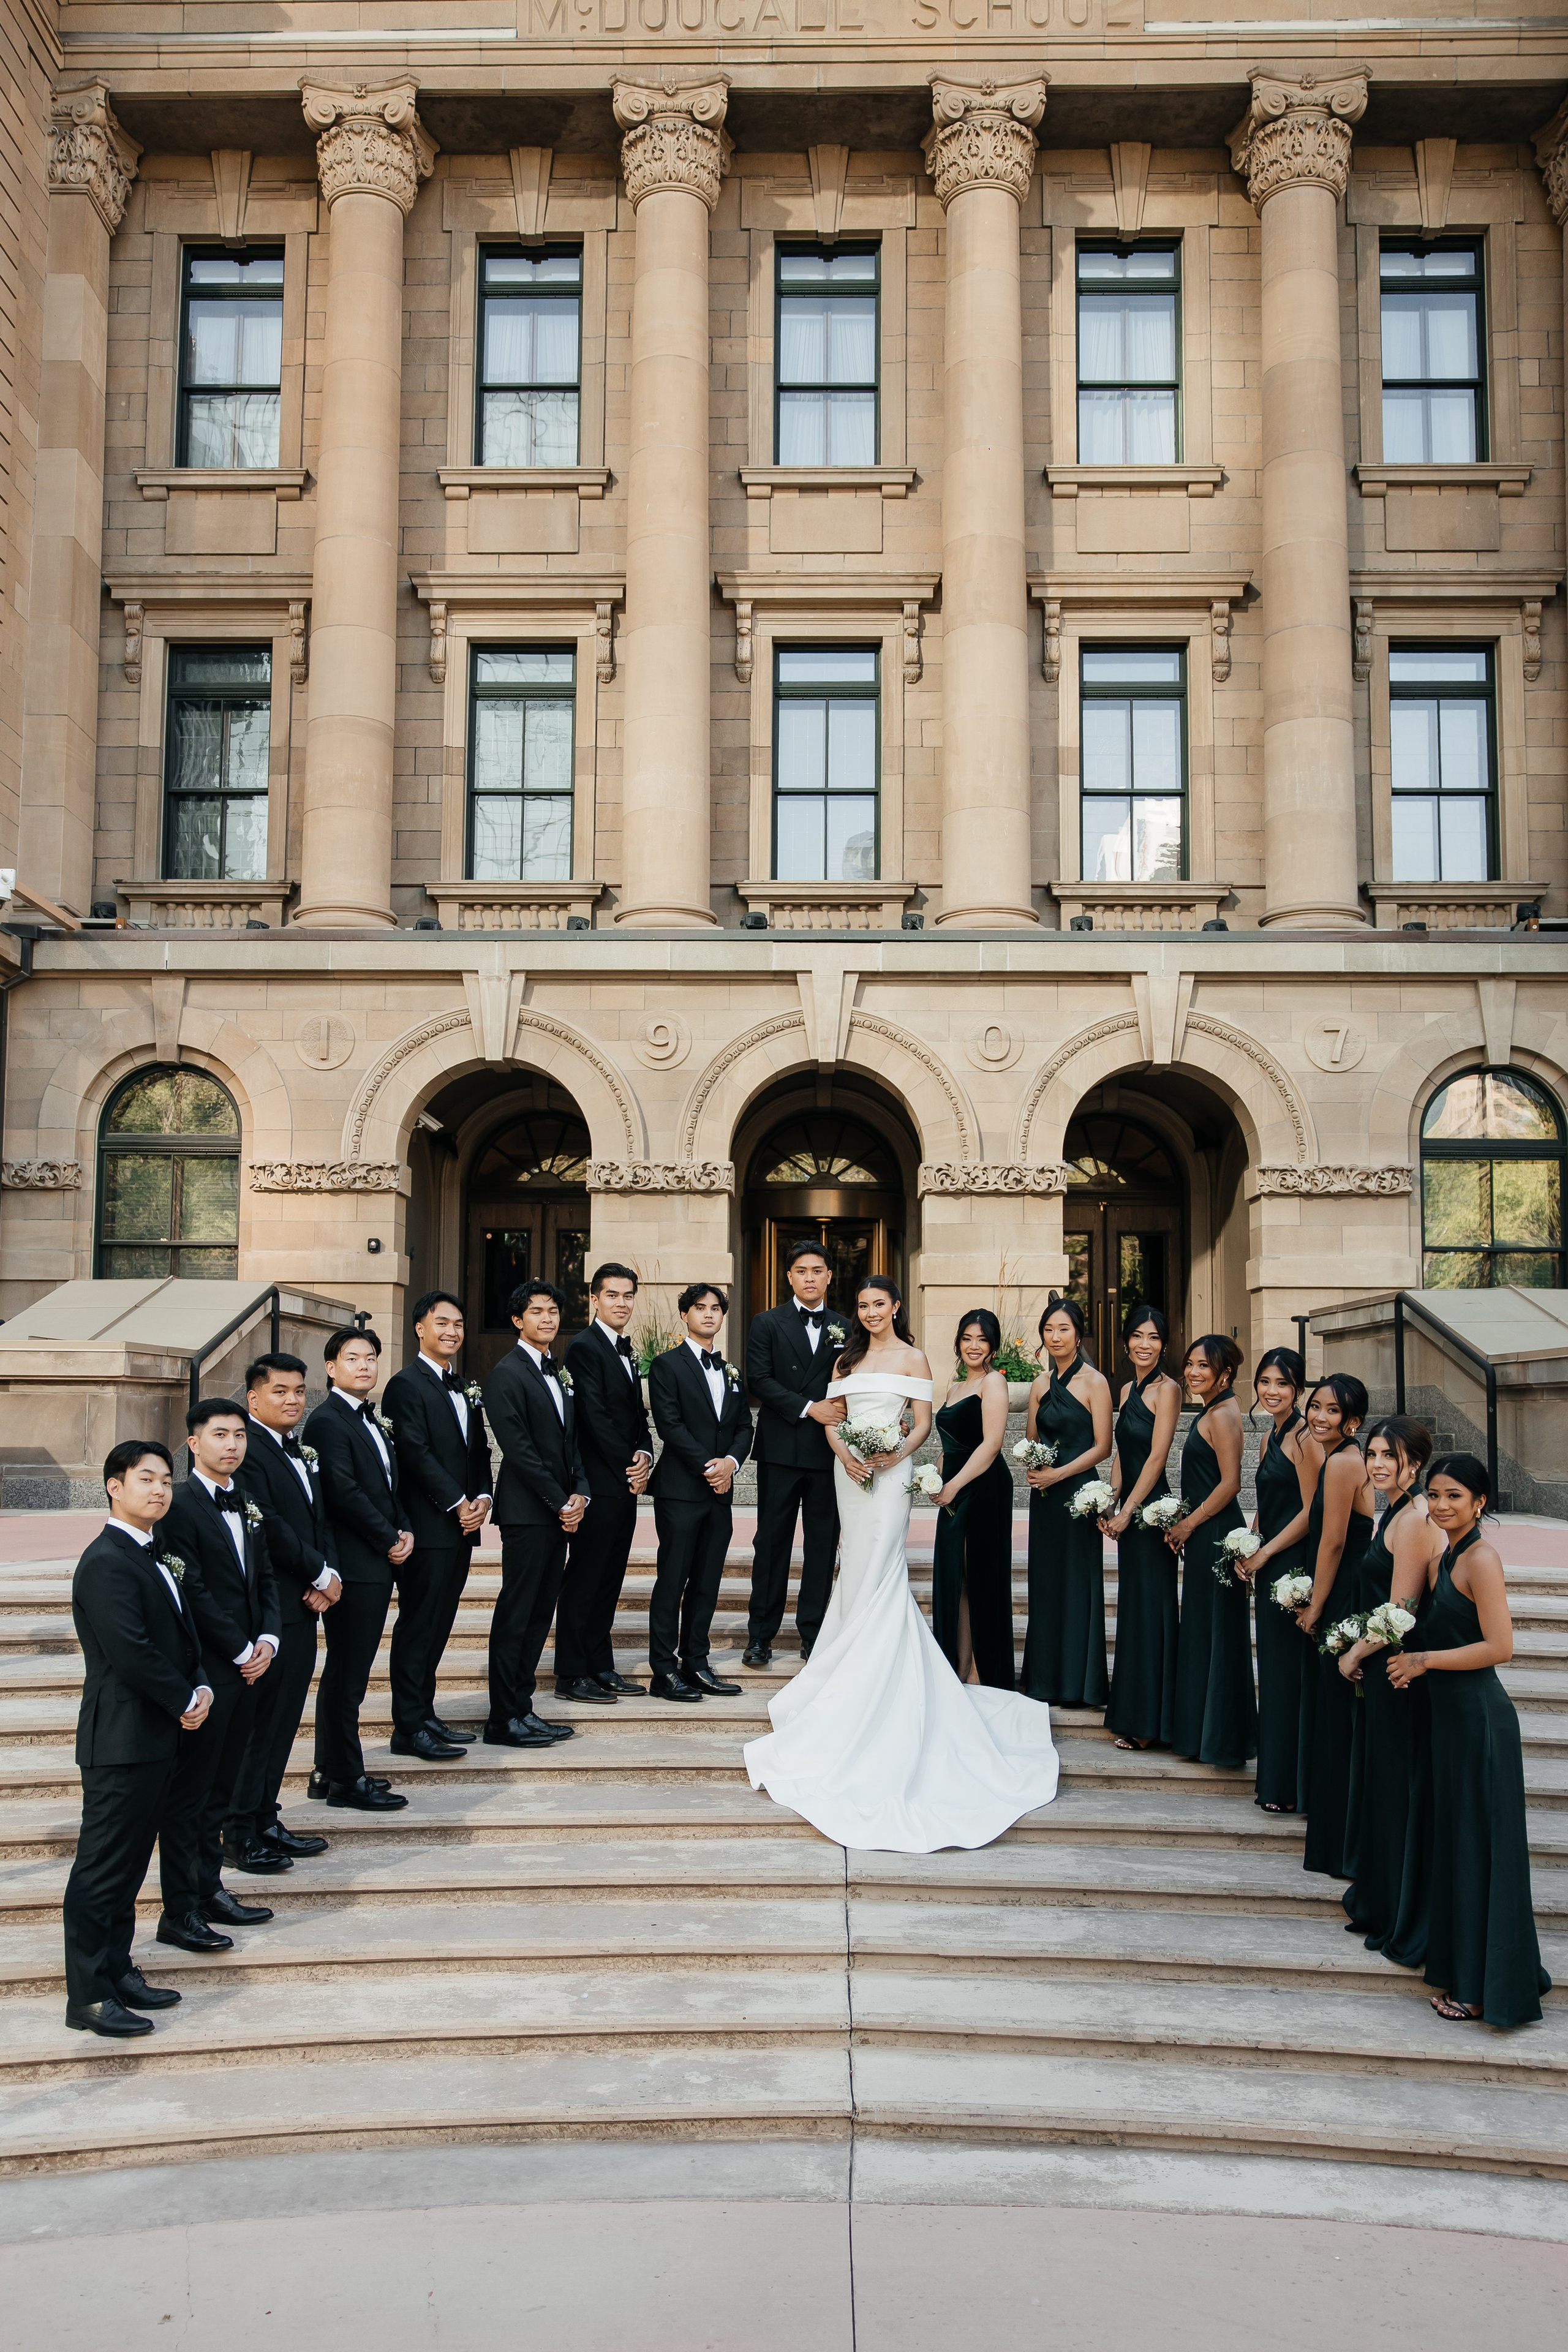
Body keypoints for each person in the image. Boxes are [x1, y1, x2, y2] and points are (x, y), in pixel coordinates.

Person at [744, 1275, 1058, 1851]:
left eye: (878, 1304)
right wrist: (847, 1454)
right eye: (861, 1306)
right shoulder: (844, 1358)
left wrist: (891, 1455)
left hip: (891, 1477)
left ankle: (877, 1674)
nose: (869, 1312)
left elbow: (923, 1423)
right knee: (854, 1563)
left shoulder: (915, 1358)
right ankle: (844, 1667)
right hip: (849, 1473)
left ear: (896, 1307)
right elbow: (833, 1418)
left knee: (883, 1561)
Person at [1387, 1455, 1551, 2027]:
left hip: (1480, 1723)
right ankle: (1484, 1972)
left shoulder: (1481, 1558)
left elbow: (1501, 1647)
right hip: (1449, 1723)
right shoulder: (1446, 1554)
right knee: (1461, 1848)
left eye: (1454, 1496)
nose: (1440, 1506)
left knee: (1481, 1851)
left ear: (1480, 1502)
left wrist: (1424, 1660)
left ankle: (1486, 1990)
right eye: (1433, 1495)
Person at [62, 1441, 205, 2037]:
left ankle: (118, 1971)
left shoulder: (152, 1552)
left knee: (126, 1868)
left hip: (153, 1738)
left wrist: (197, 1685)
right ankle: (89, 1996)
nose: (160, 1490)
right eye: (146, 1479)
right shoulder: (106, 1561)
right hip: (120, 1740)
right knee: (101, 1869)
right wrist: (184, 1699)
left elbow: (178, 1636)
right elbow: (132, 1652)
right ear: (113, 1486)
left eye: (166, 1480)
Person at [156, 1397, 282, 1951]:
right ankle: (180, 1910)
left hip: (252, 1665)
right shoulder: (178, 1506)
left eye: (239, 1435)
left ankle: (210, 1891)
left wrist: (271, 1638)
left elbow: (266, 1577)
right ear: (194, 1443)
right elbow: (194, 1590)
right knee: (192, 1795)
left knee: (223, 1789)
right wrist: (238, 1650)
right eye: (220, 1435)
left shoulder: (248, 1499)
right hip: (211, 1668)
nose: (233, 1444)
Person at [227, 1352, 337, 1869]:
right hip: (270, 1608)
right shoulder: (246, 1450)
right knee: (258, 1726)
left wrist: (328, 1575)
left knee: (283, 1720)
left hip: (305, 1603)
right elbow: (267, 1525)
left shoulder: (300, 1447)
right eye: (280, 1392)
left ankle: (265, 1818)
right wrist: (318, 1573)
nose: (293, 1400)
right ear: (254, 1398)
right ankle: (238, 1831)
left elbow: (320, 1518)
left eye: (299, 1391)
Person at [1338, 1415, 1440, 1958]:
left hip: (1399, 1671)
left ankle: (1399, 1908)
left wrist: (1355, 1650)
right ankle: (1381, 1896)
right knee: (1382, 1782)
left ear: (1415, 1465)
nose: (1376, 1464)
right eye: (1373, 1454)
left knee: (1395, 1786)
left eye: (1389, 1456)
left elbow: (1402, 1609)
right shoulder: (1396, 1510)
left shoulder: (1416, 1519)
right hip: (1385, 1668)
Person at [303, 1328, 413, 1810]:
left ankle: (330, 1770)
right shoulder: (327, 1422)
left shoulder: (371, 1419)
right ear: (331, 1368)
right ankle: (346, 1780)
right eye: (353, 1359)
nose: (365, 1366)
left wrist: (405, 1527)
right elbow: (344, 1493)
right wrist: (389, 1538)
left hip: (376, 1559)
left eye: (371, 1357)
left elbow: (390, 1486)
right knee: (348, 1676)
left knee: (349, 1674)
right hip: (355, 1563)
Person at [383, 1291, 493, 1759]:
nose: (452, 1332)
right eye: (442, 1323)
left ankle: (425, 1714)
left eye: (459, 1324)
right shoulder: (404, 1385)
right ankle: (408, 1726)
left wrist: (484, 1497)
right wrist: (456, 1501)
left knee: (441, 1623)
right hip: (428, 1527)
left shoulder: (465, 1386)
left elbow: (480, 1452)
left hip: (462, 1528)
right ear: (420, 1329)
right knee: (417, 1625)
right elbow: (414, 1452)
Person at [481, 1278, 587, 1747]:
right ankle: (504, 1718)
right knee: (517, 1614)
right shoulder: (506, 1373)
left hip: (559, 1510)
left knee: (541, 1613)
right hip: (528, 1513)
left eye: (553, 1311)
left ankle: (523, 1707)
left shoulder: (556, 1370)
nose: (547, 1319)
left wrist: (581, 1491)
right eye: (537, 1311)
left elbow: (571, 1443)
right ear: (517, 1320)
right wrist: (559, 1500)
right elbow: (519, 1451)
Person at [646, 1283, 754, 1700]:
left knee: (707, 1582)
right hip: (680, 1491)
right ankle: (663, 1670)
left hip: (720, 1492)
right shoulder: (666, 1365)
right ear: (685, 1315)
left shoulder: (731, 1371)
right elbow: (670, 1426)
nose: (709, 1314)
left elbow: (745, 1425)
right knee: (673, 1580)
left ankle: (697, 1662)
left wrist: (731, 1463)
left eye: (715, 1309)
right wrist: (711, 1466)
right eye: (700, 1308)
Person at [744, 1239, 843, 1668]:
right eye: (801, 1270)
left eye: (817, 1270)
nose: (809, 1277)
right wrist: (808, 1407)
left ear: (828, 1276)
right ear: (789, 1277)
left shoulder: (846, 1325)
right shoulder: (766, 1323)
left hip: (828, 1452)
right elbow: (759, 1380)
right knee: (772, 1543)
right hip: (781, 1449)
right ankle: (760, 1636)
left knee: (822, 1545)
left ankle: (814, 1633)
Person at [558, 1262, 654, 1702]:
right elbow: (593, 1417)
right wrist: (628, 1462)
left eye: (628, 1295)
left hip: (624, 1484)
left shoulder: (626, 1350)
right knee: (586, 1576)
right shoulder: (583, 1347)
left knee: (610, 1577)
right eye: (612, 1295)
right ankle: (572, 1672)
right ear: (594, 1299)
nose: (621, 1303)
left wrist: (646, 1454)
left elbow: (637, 1415)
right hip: (597, 1482)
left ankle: (601, 1664)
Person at [1296, 1373, 1376, 1879]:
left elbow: (1333, 1543)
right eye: (1317, 1407)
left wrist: (1316, 1605)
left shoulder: (1345, 1464)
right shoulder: (1338, 1458)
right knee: (1333, 1718)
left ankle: (1342, 1844)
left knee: (1337, 1720)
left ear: (1354, 1422)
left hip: (1344, 1597)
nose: (1320, 1417)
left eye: (1332, 1411)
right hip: (1342, 1592)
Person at [1020, 1297, 1114, 1709]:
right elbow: (1032, 1440)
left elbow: (1103, 1447)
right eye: (1049, 1330)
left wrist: (1059, 1473)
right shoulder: (1040, 1384)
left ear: (1078, 1335)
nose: (1055, 1337)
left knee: (1078, 1586)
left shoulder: (1095, 1382)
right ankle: (1044, 1680)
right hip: (1044, 1498)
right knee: (1046, 1583)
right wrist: (1032, 1463)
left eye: (1063, 1329)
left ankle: (1081, 1684)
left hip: (1079, 1495)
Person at [1240, 1348, 1322, 1814]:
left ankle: (1290, 1787)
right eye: (1266, 1382)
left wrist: (1267, 1551)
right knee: (1273, 1674)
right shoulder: (1272, 1433)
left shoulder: (1304, 1439)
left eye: (1283, 1384)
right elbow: (1271, 1500)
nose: (1272, 1391)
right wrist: (1250, 1541)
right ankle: (1275, 1780)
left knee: (1288, 1676)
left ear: (1298, 1390)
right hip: (1269, 1559)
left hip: (1292, 1565)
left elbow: (1313, 1512)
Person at [1169, 1335, 1255, 1771]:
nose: (1194, 1372)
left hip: (1217, 1532)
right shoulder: (1212, 1409)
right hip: (1207, 1530)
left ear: (1225, 1373)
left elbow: (1231, 1483)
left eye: (1204, 1366)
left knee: (1217, 1631)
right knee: (1205, 1629)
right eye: (1190, 1364)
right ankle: (1204, 1733)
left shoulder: (1222, 1414)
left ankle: (1220, 1739)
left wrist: (1188, 1523)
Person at [1101, 1305, 1183, 1752]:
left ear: (1163, 1344)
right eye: (1137, 1336)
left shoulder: (1167, 1390)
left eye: (1153, 1337)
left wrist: (1129, 1509)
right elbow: (1123, 1453)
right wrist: (1108, 1499)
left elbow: (1156, 1457)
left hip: (1152, 1513)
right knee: (1134, 1612)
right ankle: (1133, 1714)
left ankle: (1154, 1723)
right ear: (1126, 1341)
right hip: (1131, 1509)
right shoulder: (1128, 1387)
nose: (1144, 1345)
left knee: (1153, 1612)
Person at [930, 1310, 1016, 1689]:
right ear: (958, 1343)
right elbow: (951, 1445)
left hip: (982, 1487)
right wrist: (934, 1474)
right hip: (954, 1486)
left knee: (979, 1577)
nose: (974, 1346)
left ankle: (984, 1671)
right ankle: (960, 1666)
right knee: (957, 1577)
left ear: (993, 1346)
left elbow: (992, 1445)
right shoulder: (954, 1389)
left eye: (982, 1339)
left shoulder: (993, 1384)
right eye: (968, 1338)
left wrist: (954, 1485)